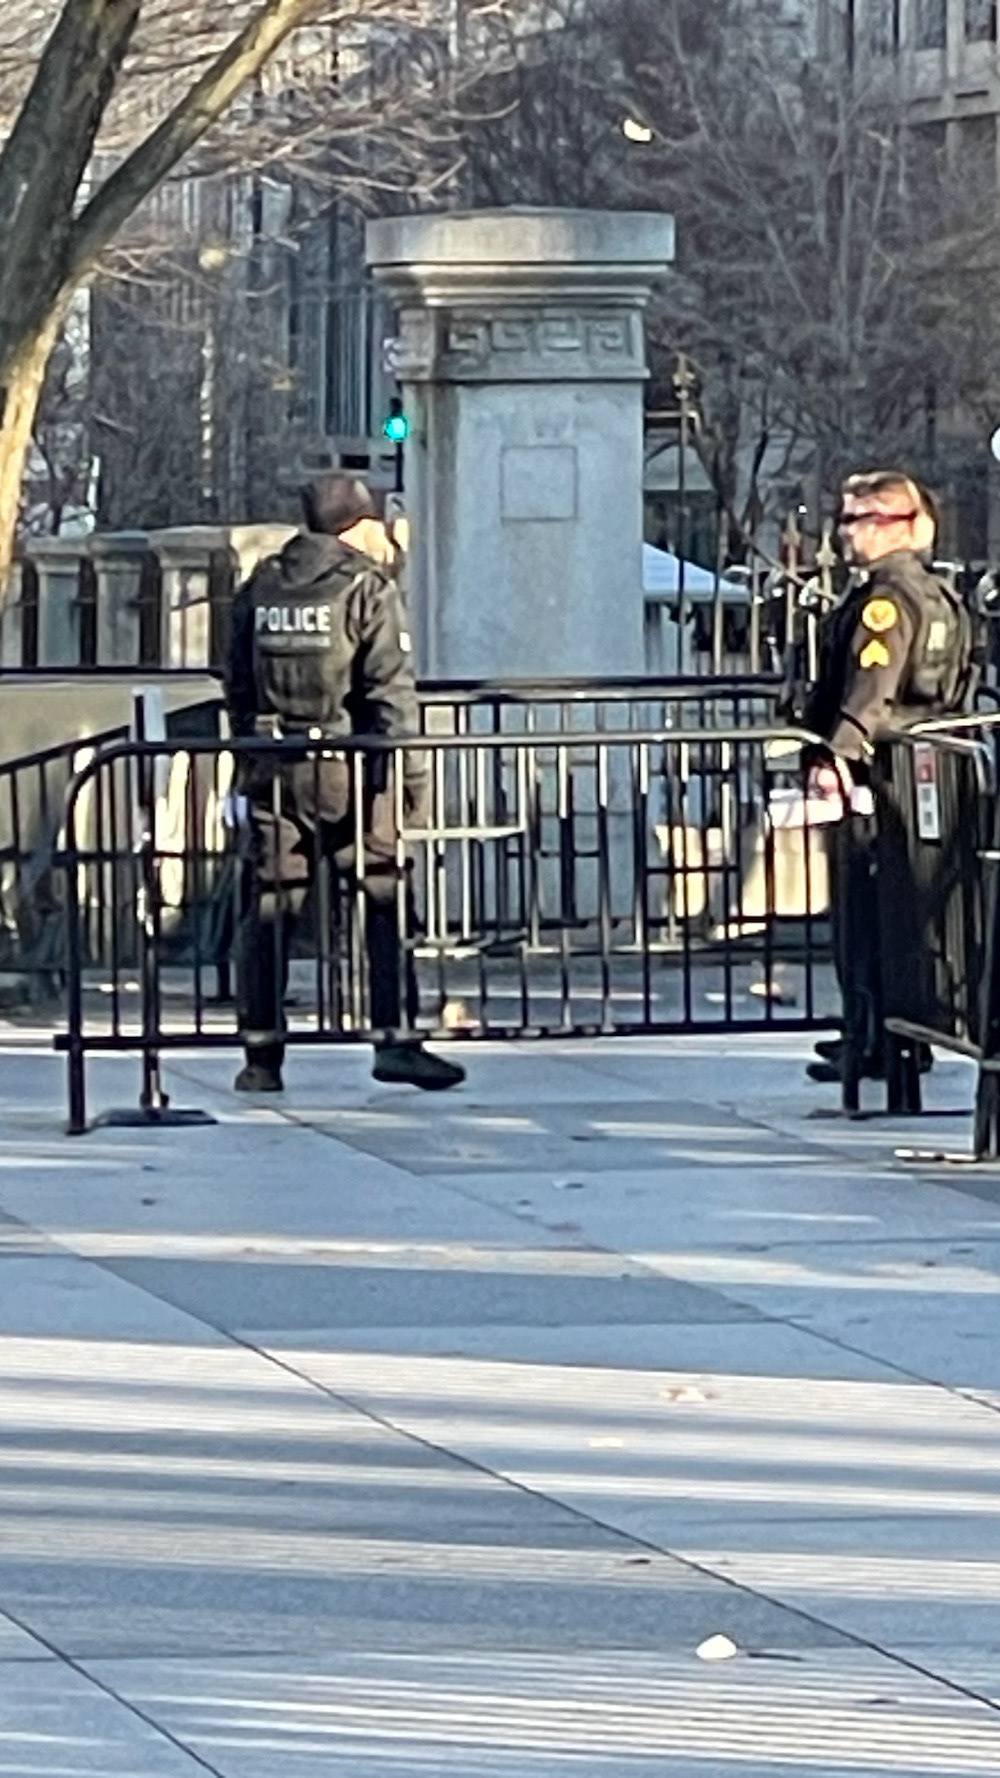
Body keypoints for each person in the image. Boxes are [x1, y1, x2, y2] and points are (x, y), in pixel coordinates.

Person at [224, 472, 465, 1095]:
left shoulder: (262, 585)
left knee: (271, 906)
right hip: (353, 767)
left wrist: (250, 758)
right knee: (384, 901)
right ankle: (393, 1039)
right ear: (355, 527)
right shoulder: (366, 587)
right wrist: (408, 778)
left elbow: (237, 685)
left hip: (274, 765)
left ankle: (260, 1056)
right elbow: (390, 693)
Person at [801, 469, 975, 1086]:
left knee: (866, 912)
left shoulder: (885, 600)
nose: (845, 533)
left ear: (895, 525)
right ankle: (896, 1033)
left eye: (857, 520)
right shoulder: (940, 594)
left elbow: (873, 688)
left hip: (883, 773)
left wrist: (837, 755)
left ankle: (874, 1037)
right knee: (907, 912)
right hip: (932, 772)